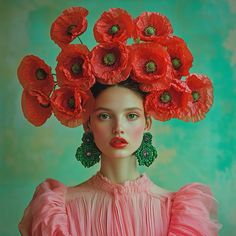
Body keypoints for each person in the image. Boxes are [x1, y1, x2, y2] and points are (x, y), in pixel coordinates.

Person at [17, 6, 221, 236]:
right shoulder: (57, 212)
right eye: (104, 116)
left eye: (131, 115)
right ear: (87, 123)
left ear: (147, 123)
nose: (118, 128)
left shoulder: (181, 213)